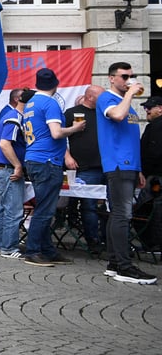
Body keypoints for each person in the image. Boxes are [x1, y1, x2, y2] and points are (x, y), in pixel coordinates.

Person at [97, 62, 156, 284]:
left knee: (118, 214)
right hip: (118, 165)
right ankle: (124, 265)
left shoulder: (126, 103)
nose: (128, 79)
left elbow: (131, 139)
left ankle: (114, 262)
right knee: (123, 214)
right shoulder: (108, 98)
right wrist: (131, 92)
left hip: (129, 165)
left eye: (131, 76)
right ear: (112, 78)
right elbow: (117, 116)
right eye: (124, 76)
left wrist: (139, 168)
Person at [23, 68, 85, 267]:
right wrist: (75, 129)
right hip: (47, 160)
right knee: (45, 210)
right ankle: (33, 251)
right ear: (56, 84)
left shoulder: (31, 102)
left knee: (44, 206)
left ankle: (47, 250)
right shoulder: (50, 103)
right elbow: (56, 133)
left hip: (35, 158)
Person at [0, 88, 33, 259]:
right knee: (13, 211)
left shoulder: (12, 116)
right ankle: (8, 247)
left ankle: (2, 246)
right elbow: (4, 144)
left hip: (2, 168)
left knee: (4, 210)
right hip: (7, 169)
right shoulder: (15, 119)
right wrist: (17, 166)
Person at [63, 84, 106, 252]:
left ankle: (108, 239)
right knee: (89, 206)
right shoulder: (72, 113)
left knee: (110, 206)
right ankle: (93, 241)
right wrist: (67, 156)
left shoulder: (105, 113)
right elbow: (58, 136)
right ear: (90, 97)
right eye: (100, 97)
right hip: (85, 166)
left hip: (108, 166)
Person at [137, 96, 162, 253]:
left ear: (160, 108)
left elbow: (153, 152)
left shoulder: (156, 126)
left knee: (148, 207)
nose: (146, 111)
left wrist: (143, 172)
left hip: (156, 178)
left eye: (149, 108)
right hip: (156, 175)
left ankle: (154, 243)